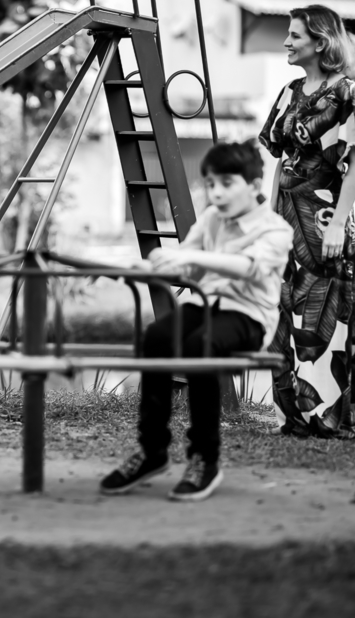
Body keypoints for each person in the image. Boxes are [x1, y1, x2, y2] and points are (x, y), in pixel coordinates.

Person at [100, 141, 292, 501]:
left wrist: (201, 259)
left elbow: (249, 267)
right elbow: (187, 262)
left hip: (248, 317)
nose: (216, 193)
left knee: (199, 347)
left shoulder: (276, 230)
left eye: (226, 183)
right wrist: (147, 264)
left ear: (253, 186)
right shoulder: (211, 219)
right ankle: (152, 450)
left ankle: (205, 458)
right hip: (205, 304)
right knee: (157, 336)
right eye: (210, 184)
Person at [258, 4, 355, 438]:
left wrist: (336, 223)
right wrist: (271, 220)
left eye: (295, 35)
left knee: (327, 315)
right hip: (286, 218)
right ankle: (294, 414)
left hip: (324, 216)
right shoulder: (289, 92)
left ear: (320, 42)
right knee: (284, 312)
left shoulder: (346, 92)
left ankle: (331, 415)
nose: (287, 42)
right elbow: (281, 160)